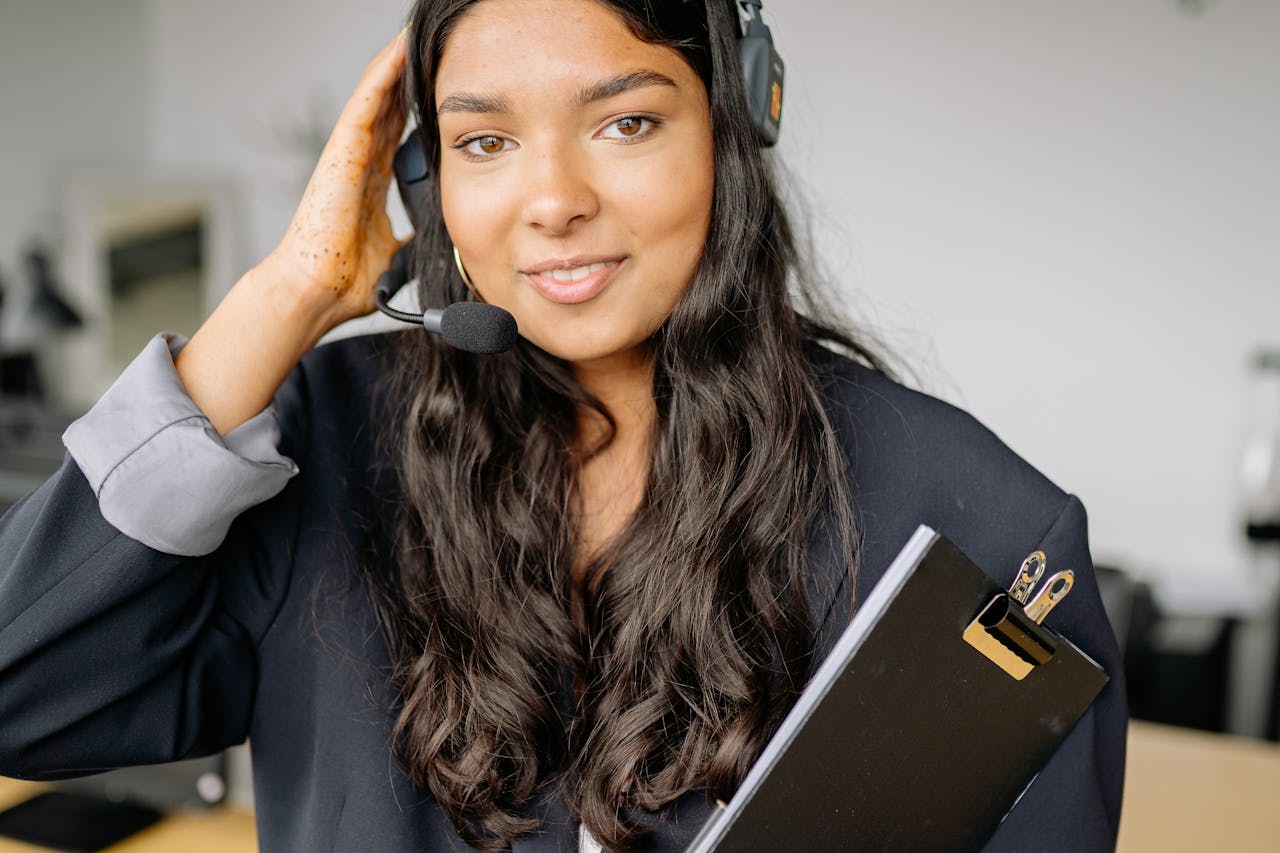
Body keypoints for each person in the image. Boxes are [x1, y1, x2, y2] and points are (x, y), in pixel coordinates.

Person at [0, 1, 1126, 851]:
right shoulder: (329, 438)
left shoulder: (970, 517)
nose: (550, 200)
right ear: (423, 173)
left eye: (625, 121)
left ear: (730, 126)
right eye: (483, 142)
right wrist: (284, 297)